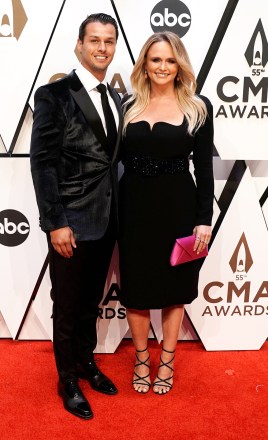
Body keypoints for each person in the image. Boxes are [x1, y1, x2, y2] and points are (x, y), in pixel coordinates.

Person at [30, 13, 123, 419]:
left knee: (89, 301)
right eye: (94, 40)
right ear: (79, 45)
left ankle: (86, 362)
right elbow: (43, 163)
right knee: (66, 303)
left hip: (107, 219)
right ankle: (67, 378)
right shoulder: (55, 95)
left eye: (109, 41)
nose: (102, 48)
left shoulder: (117, 98)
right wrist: (55, 222)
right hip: (71, 220)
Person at [118, 32, 214, 395]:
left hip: (180, 209)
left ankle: (168, 360)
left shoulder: (197, 107)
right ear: (145, 63)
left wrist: (204, 219)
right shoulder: (127, 106)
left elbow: (204, 170)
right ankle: (142, 358)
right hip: (134, 210)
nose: (162, 67)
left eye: (170, 60)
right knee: (136, 289)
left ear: (180, 65)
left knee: (175, 289)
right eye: (155, 59)